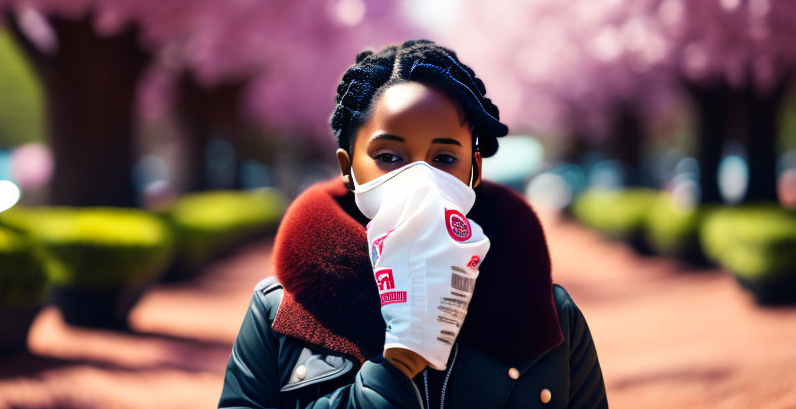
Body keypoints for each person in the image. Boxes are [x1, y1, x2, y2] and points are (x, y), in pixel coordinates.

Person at [218, 40, 608, 408]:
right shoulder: (280, 313)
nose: (419, 178)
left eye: (443, 159)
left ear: (473, 170)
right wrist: (397, 369)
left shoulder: (550, 314)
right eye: (389, 155)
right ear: (347, 168)